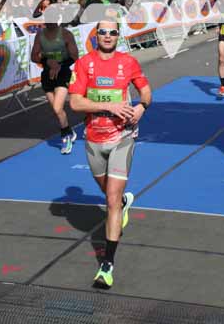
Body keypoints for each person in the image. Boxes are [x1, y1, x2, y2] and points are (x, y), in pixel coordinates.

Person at [68, 19, 152, 289]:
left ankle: (107, 265)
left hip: (122, 137)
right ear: (96, 35)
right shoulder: (84, 64)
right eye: (102, 32)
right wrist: (110, 106)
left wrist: (141, 107)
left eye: (112, 32)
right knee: (109, 194)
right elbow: (75, 102)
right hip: (94, 139)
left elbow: (146, 91)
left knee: (112, 200)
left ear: (118, 35)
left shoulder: (128, 62)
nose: (107, 35)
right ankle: (124, 203)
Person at [31, 19, 80, 154]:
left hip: (63, 74)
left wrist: (59, 66)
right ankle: (69, 130)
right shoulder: (40, 36)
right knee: (56, 110)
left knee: (58, 107)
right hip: (47, 76)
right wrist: (47, 61)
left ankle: (65, 137)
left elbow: (75, 56)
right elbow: (33, 56)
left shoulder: (66, 34)